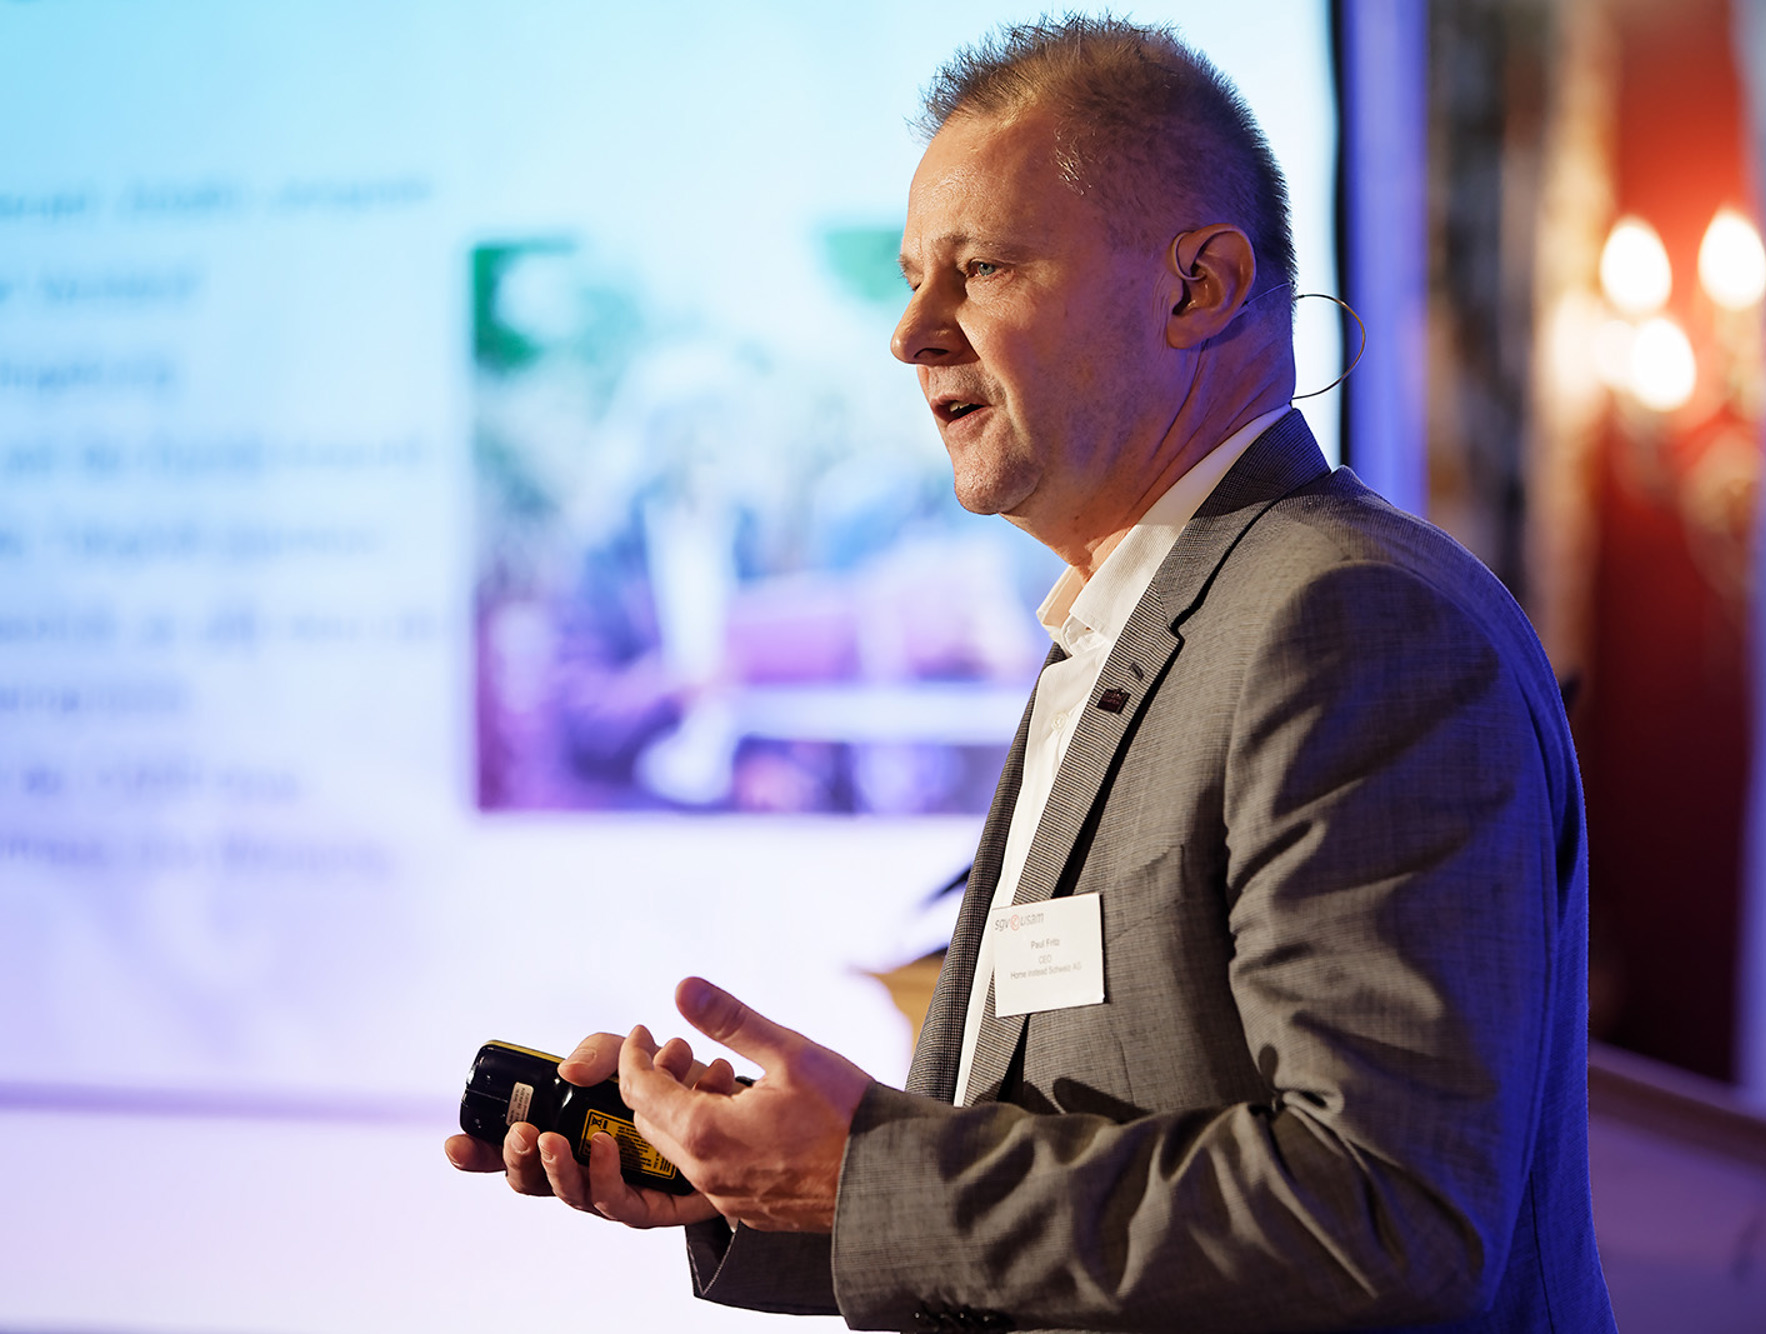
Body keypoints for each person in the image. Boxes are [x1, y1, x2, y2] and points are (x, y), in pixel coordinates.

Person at [447, 17, 1617, 1332]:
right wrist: (756, 1177)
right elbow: (1062, 1163)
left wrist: (862, 1173)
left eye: (983, 269)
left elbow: (1383, 1214)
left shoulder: (1351, 622)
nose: (910, 334)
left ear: (1200, 286)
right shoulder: (1132, 619)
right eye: (912, 280)